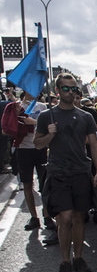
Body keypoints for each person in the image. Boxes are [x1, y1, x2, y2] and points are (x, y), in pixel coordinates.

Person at [34, 73, 97, 272]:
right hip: (59, 173)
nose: (70, 92)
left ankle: (78, 257)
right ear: (57, 91)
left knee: (78, 217)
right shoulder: (46, 117)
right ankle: (64, 261)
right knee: (64, 217)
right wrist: (49, 135)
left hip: (81, 173)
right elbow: (38, 144)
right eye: (66, 88)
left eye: (73, 88)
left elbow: (94, 145)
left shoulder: (86, 116)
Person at [1, 91, 54, 231]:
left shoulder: (42, 107)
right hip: (23, 149)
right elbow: (5, 130)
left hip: (40, 148)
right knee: (27, 184)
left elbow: (50, 127)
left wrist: (34, 122)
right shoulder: (14, 107)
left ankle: (48, 216)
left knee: (44, 184)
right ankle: (34, 217)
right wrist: (16, 118)